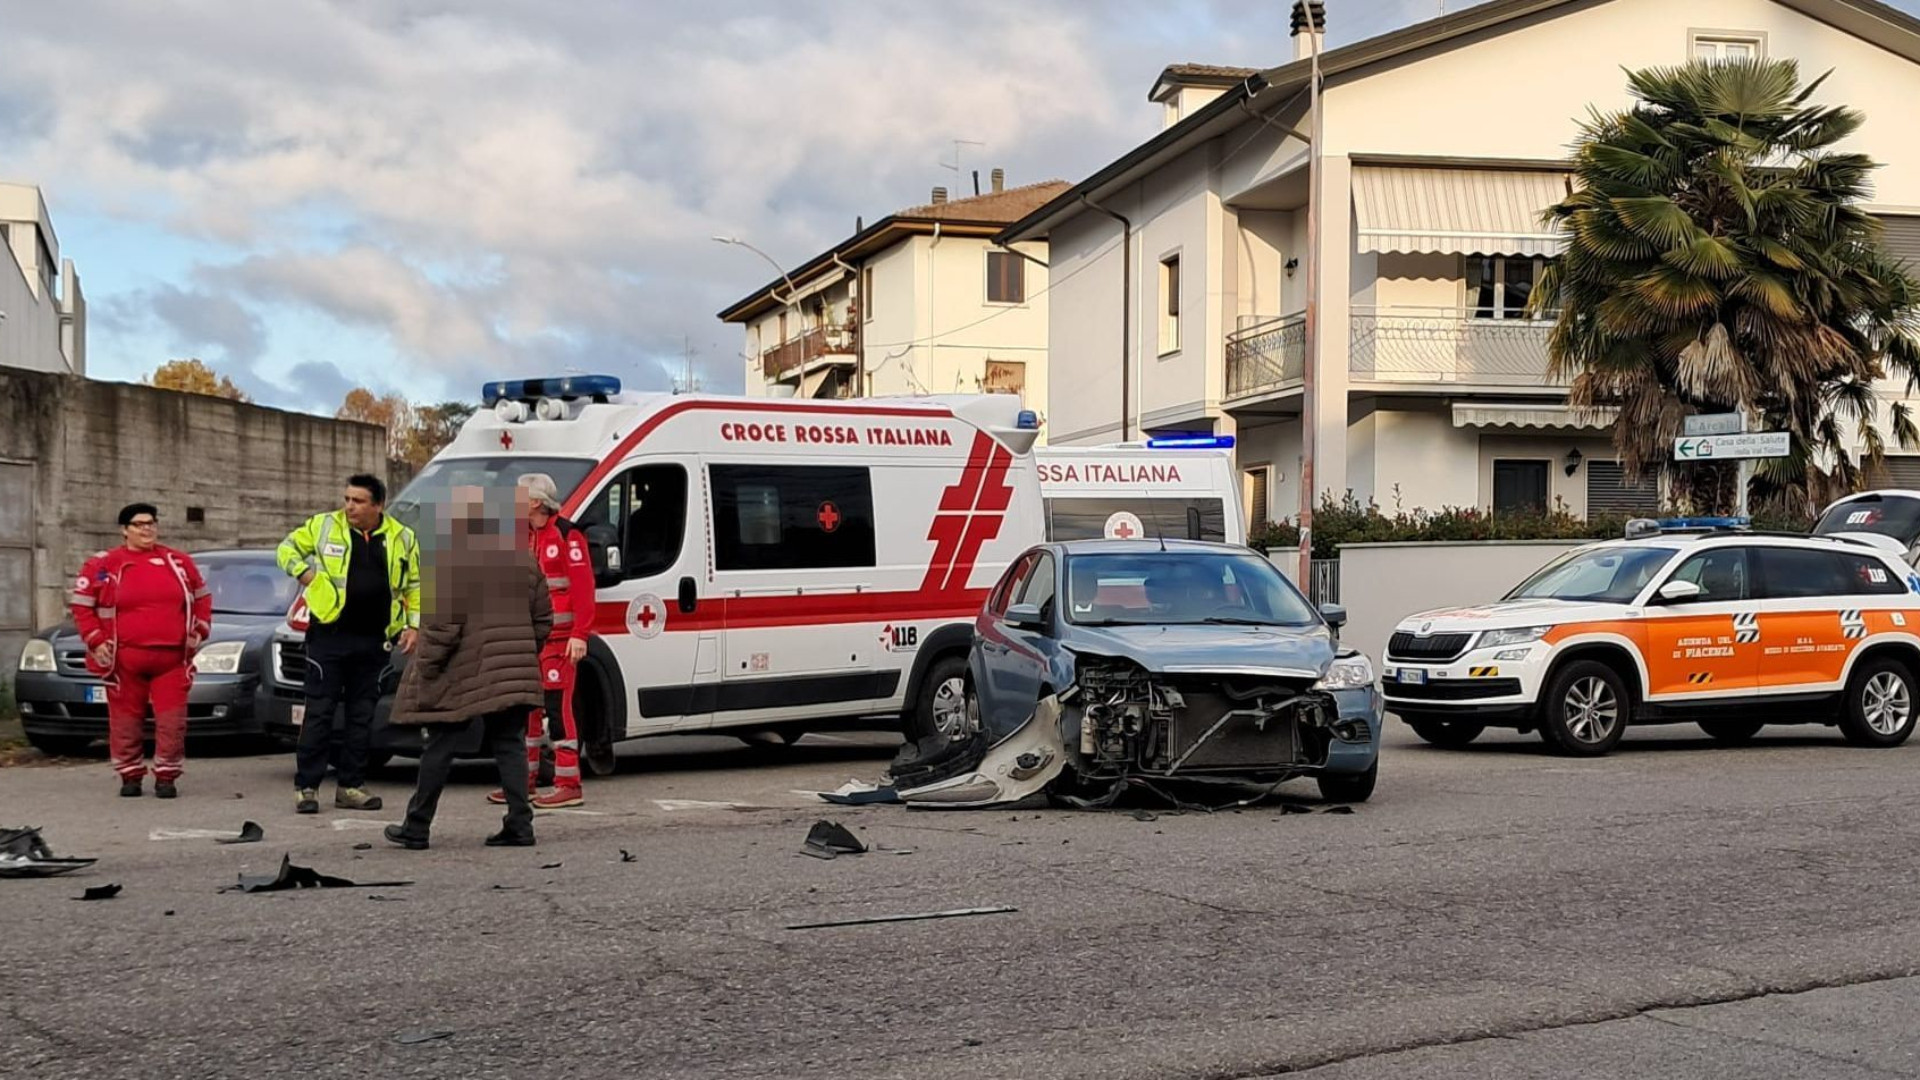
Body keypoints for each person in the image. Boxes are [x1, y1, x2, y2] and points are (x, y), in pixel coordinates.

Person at [386, 491, 552, 850]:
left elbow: (442, 628)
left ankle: (417, 825)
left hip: (463, 673)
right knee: (510, 745)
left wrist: (426, 670)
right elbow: (543, 620)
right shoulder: (524, 561)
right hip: (514, 671)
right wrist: (523, 652)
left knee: (441, 745)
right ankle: (520, 825)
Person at [277, 473, 421, 815]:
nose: (349, 506)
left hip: (375, 640)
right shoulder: (324, 526)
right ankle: (307, 787)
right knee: (320, 712)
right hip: (330, 635)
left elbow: (414, 584)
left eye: (358, 501)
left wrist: (414, 625)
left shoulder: (402, 537)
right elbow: (286, 549)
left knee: (362, 715)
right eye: (347, 499)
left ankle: (351, 786)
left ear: (378, 505)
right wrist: (306, 574)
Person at [69, 503, 212, 798]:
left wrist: (199, 631)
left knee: (172, 721)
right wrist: (95, 640)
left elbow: (202, 600)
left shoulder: (179, 562)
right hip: (124, 659)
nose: (147, 529)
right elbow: (82, 607)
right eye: (139, 524)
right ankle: (130, 775)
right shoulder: (103, 565)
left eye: (151, 523)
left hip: (172, 659)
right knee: (125, 720)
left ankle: (167, 776)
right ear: (124, 530)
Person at [487, 473, 596, 810]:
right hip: (529, 639)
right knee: (528, 713)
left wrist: (580, 634)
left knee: (557, 711)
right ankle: (524, 782)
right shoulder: (521, 534)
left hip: (560, 642)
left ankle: (569, 784)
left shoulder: (568, 534)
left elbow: (583, 588)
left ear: (535, 502)